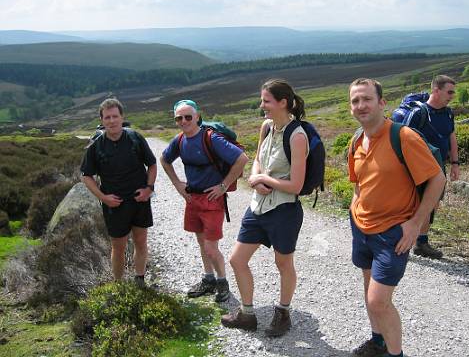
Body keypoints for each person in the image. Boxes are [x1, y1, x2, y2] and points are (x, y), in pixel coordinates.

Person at [347, 79, 446, 357]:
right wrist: (355, 210)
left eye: (367, 99)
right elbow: (359, 183)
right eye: (355, 101)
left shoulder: (403, 137)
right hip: (361, 227)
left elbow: (437, 179)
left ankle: (395, 353)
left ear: (382, 103)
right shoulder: (357, 140)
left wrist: (416, 224)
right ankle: (377, 342)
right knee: (370, 292)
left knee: (378, 301)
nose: (361, 105)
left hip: (393, 232)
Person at [221, 79, 309, 337]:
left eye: (266, 101)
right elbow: (258, 158)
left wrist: (263, 180)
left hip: (284, 210)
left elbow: (296, 185)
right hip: (258, 208)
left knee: (283, 263)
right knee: (237, 260)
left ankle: (283, 313)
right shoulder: (267, 126)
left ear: (283, 103)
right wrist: (255, 176)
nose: (262, 107)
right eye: (262, 101)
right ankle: (247, 314)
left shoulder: (298, 136)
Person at [160, 100, 248, 303]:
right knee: (201, 242)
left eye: (188, 117)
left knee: (210, 247)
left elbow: (242, 158)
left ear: (198, 116)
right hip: (192, 198)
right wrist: (177, 184)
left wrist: (223, 186)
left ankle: (222, 283)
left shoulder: (211, 138)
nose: (184, 121)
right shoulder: (180, 140)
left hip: (212, 201)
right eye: (179, 118)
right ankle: (208, 280)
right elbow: (164, 160)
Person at [81, 97, 157, 287]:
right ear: (102, 120)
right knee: (118, 246)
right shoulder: (96, 145)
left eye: (115, 116)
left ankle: (139, 279)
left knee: (141, 241)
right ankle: (119, 285)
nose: (112, 121)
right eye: (107, 117)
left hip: (140, 201)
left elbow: (152, 164)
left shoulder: (135, 138)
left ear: (122, 117)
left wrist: (149, 189)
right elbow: (86, 176)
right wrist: (103, 198)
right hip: (114, 205)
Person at [402, 75, 460, 259]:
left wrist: (455, 164)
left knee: (431, 204)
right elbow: (402, 140)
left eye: (453, 92)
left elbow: (451, 137)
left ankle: (421, 242)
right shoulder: (419, 113)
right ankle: (398, 237)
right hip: (416, 167)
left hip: (438, 166)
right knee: (409, 203)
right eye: (449, 92)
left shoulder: (448, 113)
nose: (452, 96)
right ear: (436, 90)